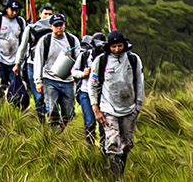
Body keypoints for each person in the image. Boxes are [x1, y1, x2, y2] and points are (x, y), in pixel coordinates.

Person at [87, 30, 144, 180]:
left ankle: (121, 171)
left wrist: (138, 106)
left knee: (126, 144)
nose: (117, 50)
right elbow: (92, 85)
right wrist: (95, 108)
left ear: (124, 45)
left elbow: (139, 83)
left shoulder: (133, 60)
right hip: (108, 108)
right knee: (112, 143)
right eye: (114, 47)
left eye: (119, 46)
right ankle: (116, 178)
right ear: (109, 47)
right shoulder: (101, 61)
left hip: (129, 109)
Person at [32, 13, 81, 130]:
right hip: (50, 79)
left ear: (64, 25)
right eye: (56, 25)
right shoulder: (45, 41)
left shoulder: (72, 40)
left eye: (61, 25)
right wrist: (38, 81)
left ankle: (64, 135)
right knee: (52, 111)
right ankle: (52, 136)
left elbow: (79, 58)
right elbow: (38, 61)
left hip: (68, 81)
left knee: (68, 113)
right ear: (51, 26)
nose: (59, 27)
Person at [16, 2, 54, 122]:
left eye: (50, 14)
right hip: (32, 65)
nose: (47, 16)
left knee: (50, 95)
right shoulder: (31, 29)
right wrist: (18, 63)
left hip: (50, 67)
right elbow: (23, 47)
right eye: (45, 14)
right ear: (40, 14)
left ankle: (52, 119)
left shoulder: (55, 30)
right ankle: (41, 119)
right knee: (38, 96)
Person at [0, 0, 27, 98]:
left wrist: (21, 60)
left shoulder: (21, 22)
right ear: (6, 9)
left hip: (15, 61)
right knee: (0, 86)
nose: (14, 13)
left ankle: (14, 107)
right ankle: (0, 108)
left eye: (17, 11)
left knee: (15, 87)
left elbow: (24, 42)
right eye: (12, 10)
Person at [74, 32, 104, 146]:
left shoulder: (106, 57)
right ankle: (89, 146)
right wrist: (83, 73)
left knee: (104, 123)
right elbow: (73, 71)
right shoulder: (85, 56)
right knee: (89, 122)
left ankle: (104, 146)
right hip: (86, 92)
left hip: (102, 93)